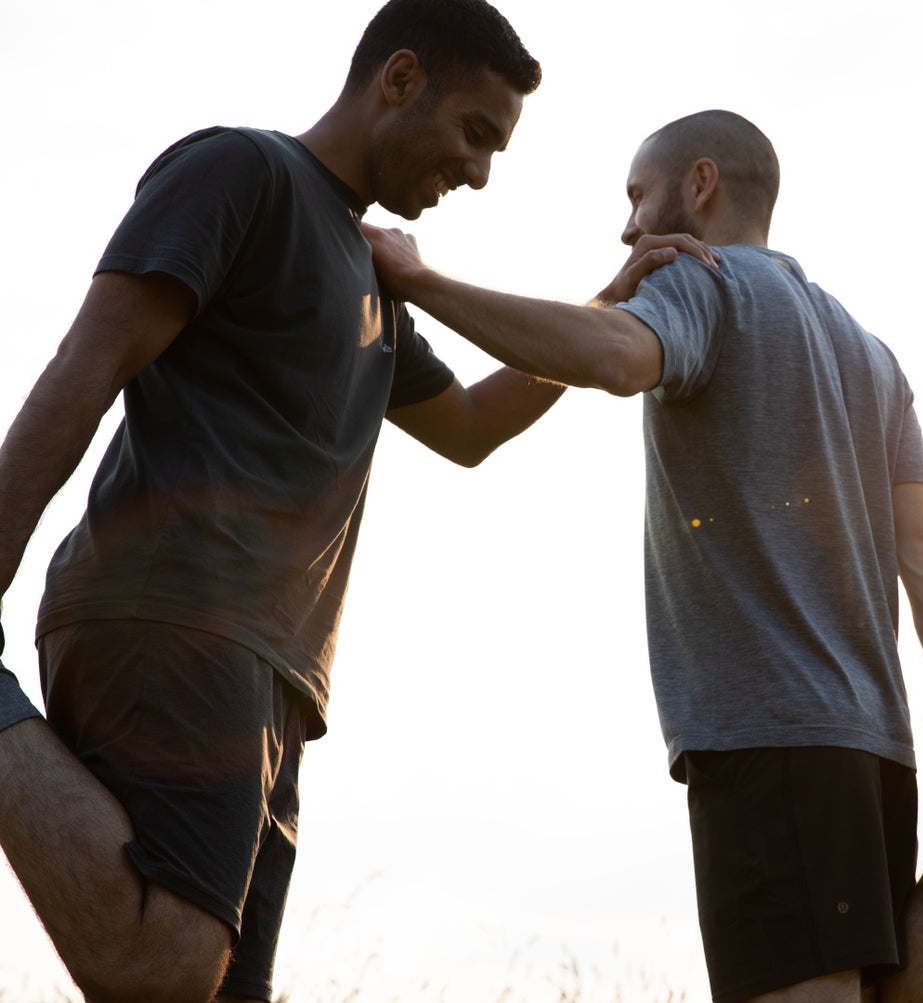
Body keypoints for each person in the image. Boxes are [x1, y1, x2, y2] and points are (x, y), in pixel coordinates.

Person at [361, 109, 923, 1003]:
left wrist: (421, 280)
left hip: (767, 737)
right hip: (873, 745)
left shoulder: (697, 284)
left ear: (700, 183)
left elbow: (619, 361)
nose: (628, 227)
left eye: (636, 195)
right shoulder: (871, 353)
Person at [0, 4, 711, 1001]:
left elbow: (467, 425)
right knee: (161, 970)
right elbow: (87, 364)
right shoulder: (240, 173)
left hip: (277, 679)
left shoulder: (373, 270)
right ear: (401, 79)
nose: (479, 173)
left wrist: (612, 304)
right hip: (173, 614)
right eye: (476, 135)